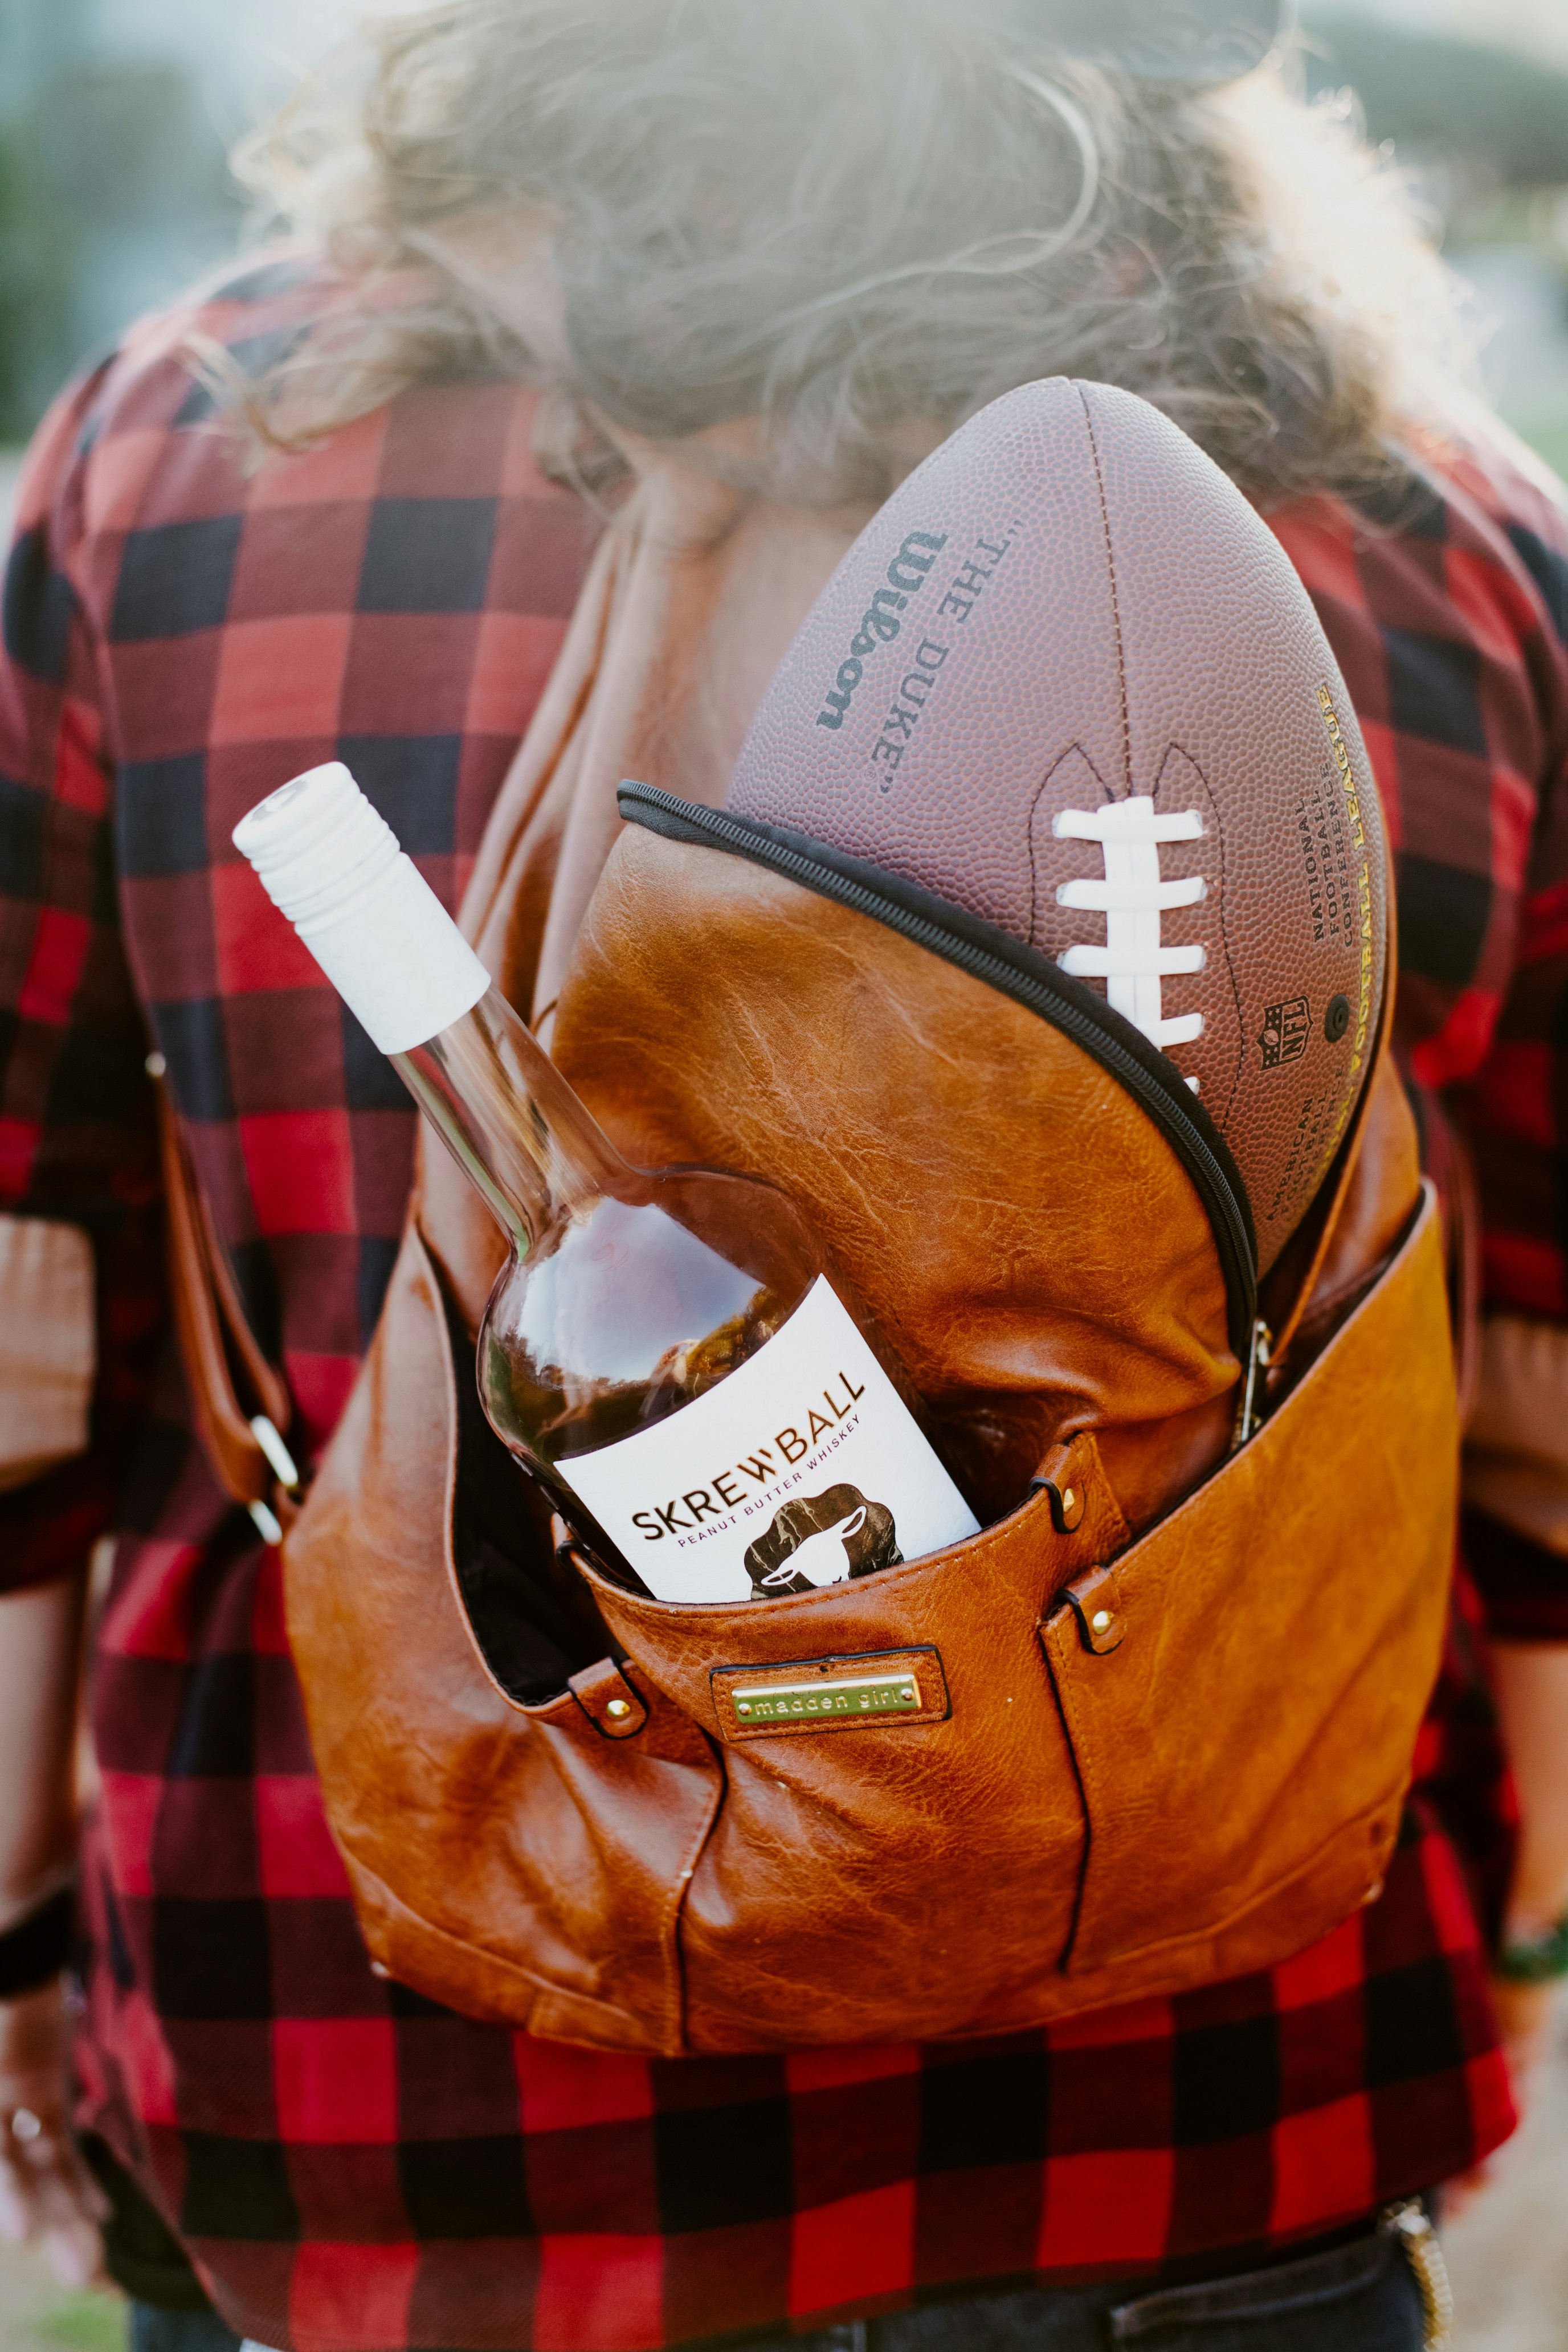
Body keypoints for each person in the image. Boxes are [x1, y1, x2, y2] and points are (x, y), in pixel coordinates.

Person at [2, 2, 1566, 2346]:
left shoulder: (199, 448)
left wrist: (20, 1922)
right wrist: (1514, 1914)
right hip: (1216, 2125)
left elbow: (26, 1314)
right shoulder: (1415, 521)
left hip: (401, 2155)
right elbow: (1530, 1386)